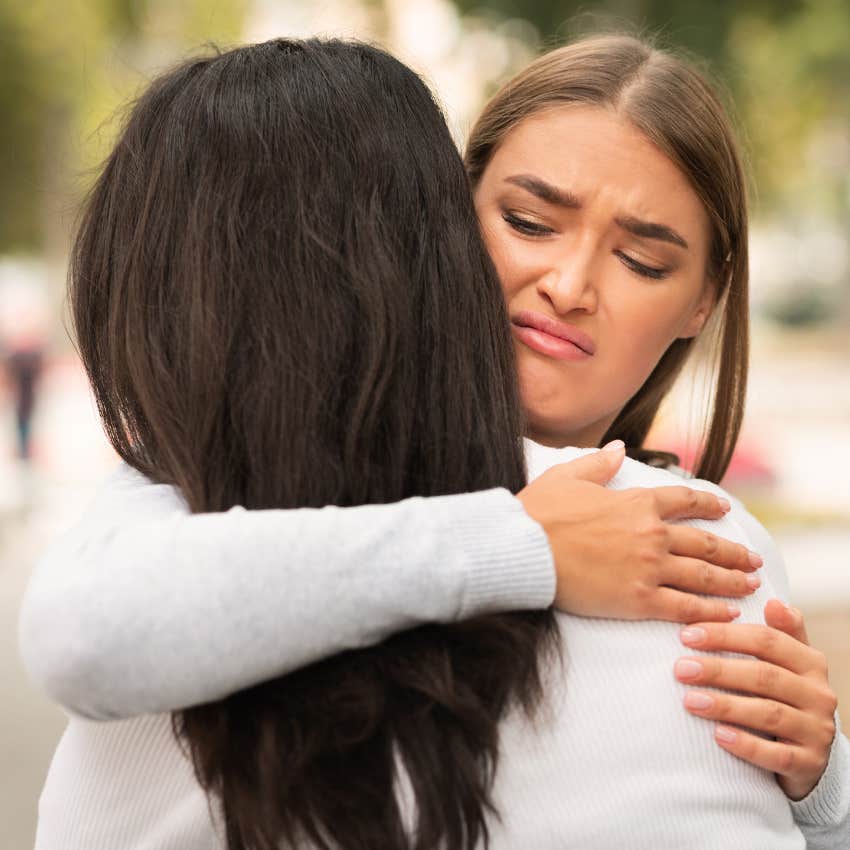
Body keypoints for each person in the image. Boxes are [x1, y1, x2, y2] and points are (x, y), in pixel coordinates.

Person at [20, 35, 848, 850]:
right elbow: (86, 633)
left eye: (640, 260)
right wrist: (524, 547)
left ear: (702, 303)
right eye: (528, 222)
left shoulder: (696, 538)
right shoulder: (233, 495)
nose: (568, 287)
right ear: (447, 222)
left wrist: (823, 786)